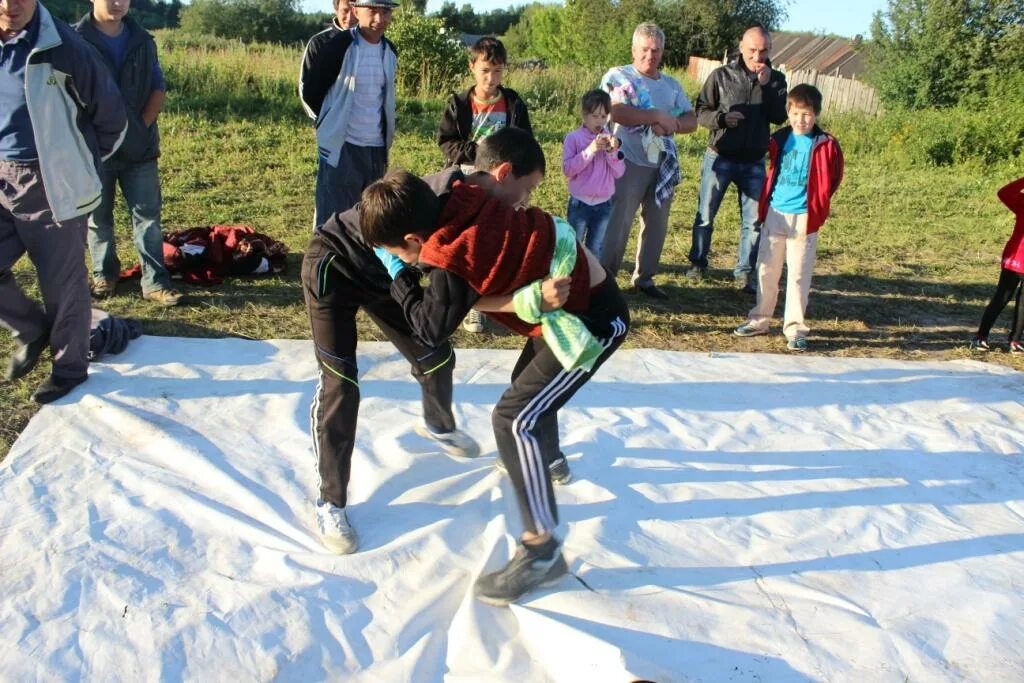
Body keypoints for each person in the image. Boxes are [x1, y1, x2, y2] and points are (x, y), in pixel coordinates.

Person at [362, 129, 630, 606]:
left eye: (403, 251)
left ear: (412, 238)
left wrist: (399, 274)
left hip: (591, 321)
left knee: (512, 417)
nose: (410, 261)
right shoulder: (464, 193)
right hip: (568, 306)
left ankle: (542, 548)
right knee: (523, 391)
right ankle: (548, 461)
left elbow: (430, 327)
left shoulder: (451, 254)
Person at [301, 128, 568, 556]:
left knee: (435, 354)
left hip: (390, 273)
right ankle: (330, 501)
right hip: (336, 264)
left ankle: (438, 424)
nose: (526, 204)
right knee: (340, 383)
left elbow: (443, 310)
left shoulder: (473, 205)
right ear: (501, 174)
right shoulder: (447, 202)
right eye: (527, 191)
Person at [1, 0, 127, 404]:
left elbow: (112, 118)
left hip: (49, 180)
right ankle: (32, 328)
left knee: (63, 285)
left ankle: (68, 368)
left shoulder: (65, 47)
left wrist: (76, 167)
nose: (9, 5)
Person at [74, 0, 181, 307]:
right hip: (94, 149)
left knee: (148, 217)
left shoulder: (143, 41)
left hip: (139, 149)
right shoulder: (75, 40)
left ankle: (155, 282)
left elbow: (157, 89)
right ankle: (104, 275)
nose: (119, 3)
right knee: (98, 217)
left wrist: (136, 131)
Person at [733, 84, 844, 352]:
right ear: (789, 112)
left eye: (806, 114)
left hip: (804, 217)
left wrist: (817, 203)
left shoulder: (826, 144)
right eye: (795, 113)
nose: (800, 120)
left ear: (816, 114)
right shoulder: (779, 139)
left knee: (797, 275)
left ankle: (795, 329)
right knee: (767, 270)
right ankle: (759, 320)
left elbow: (834, 176)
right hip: (775, 212)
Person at [437, 35, 532, 333]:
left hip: (503, 183)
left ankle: (498, 303)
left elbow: (525, 141)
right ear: (472, 68)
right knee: (469, 243)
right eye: (485, 71)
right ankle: (471, 306)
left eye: (498, 71)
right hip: (467, 182)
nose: (492, 78)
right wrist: (476, 151)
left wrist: (520, 179)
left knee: (499, 241)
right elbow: (447, 143)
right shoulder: (459, 104)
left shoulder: (513, 103)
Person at [599, 22, 697, 300]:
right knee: (618, 223)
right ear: (633, 49)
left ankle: (645, 278)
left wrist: (673, 124)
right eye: (644, 49)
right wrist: (654, 115)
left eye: (655, 50)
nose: (650, 55)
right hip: (625, 159)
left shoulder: (671, 85)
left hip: (661, 163)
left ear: (662, 52)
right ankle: (605, 278)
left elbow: (692, 120)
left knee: (657, 224)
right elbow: (615, 112)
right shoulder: (619, 76)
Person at [688, 25, 788, 293]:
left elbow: (779, 117)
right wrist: (721, 119)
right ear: (741, 48)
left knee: (754, 222)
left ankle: (744, 273)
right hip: (719, 157)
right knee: (706, 215)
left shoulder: (776, 80)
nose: (758, 57)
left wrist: (766, 87)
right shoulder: (721, 76)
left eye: (763, 51)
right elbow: (700, 111)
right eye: (753, 50)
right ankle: (698, 263)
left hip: (754, 161)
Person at [299, 0, 398, 228]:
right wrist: (329, 124)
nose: (379, 19)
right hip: (342, 146)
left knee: (370, 216)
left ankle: (362, 262)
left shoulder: (390, 51)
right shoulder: (337, 46)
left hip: (376, 147)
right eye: (372, 11)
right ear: (356, 10)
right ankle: (325, 261)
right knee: (333, 218)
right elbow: (313, 91)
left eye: (385, 12)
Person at [562, 89, 625, 258]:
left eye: (604, 116)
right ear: (584, 115)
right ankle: (572, 279)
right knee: (573, 246)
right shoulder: (574, 138)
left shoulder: (610, 138)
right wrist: (590, 150)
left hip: (604, 204)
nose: (599, 121)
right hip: (580, 203)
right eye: (595, 116)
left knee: (595, 247)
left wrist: (612, 152)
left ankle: (592, 281)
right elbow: (568, 170)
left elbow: (619, 172)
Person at [970, 175, 1024, 354]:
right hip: (1015, 260)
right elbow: (1004, 193)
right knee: (1002, 297)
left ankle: (1015, 341)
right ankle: (980, 337)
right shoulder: (1022, 202)